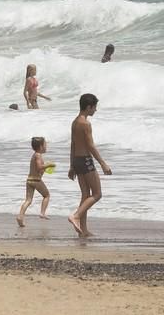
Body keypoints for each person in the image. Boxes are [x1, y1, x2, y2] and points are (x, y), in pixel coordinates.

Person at [68, 93, 112, 237]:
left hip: (77, 161)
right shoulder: (85, 123)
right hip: (86, 161)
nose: (95, 110)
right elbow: (91, 146)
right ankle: (76, 216)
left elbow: (73, 145)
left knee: (86, 195)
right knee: (97, 194)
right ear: (88, 107)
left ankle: (83, 230)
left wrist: (71, 165)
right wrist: (103, 163)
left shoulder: (75, 122)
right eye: (94, 107)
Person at [16, 137, 55, 227]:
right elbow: (39, 167)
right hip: (36, 180)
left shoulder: (35, 155)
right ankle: (42, 213)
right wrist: (48, 165)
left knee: (28, 200)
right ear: (41, 146)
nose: (46, 146)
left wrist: (46, 168)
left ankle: (20, 216)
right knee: (46, 195)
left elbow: (39, 169)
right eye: (45, 145)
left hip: (29, 180)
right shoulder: (38, 155)